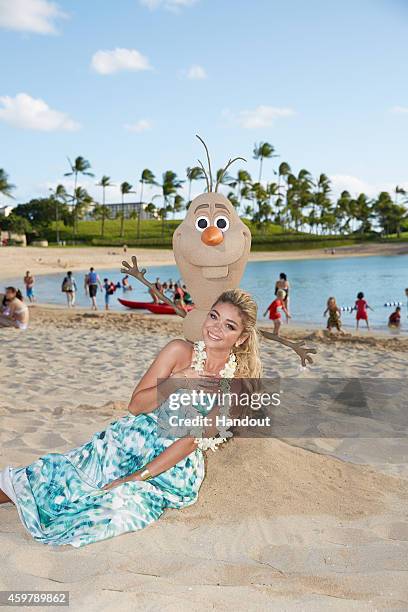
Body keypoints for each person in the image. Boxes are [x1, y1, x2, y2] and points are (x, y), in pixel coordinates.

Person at [0, 289, 261, 547]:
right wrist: (177, 380)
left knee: (113, 508)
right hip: (127, 443)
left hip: (168, 468)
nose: (216, 328)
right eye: (214, 316)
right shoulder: (178, 351)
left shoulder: (236, 387)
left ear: (241, 338)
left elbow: (192, 442)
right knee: (51, 475)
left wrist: (136, 477)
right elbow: (136, 406)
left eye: (229, 326)